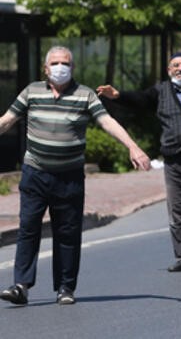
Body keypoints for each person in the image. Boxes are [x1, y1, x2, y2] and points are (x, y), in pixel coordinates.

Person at [0, 46, 151, 306]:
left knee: (67, 233)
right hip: (35, 173)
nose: (61, 67)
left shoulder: (85, 95)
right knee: (28, 228)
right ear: (45, 69)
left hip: (69, 176)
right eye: (55, 63)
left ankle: (65, 287)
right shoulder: (31, 91)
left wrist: (132, 146)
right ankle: (21, 285)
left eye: (65, 63)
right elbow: (6, 120)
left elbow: (107, 122)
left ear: (73, 68)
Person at [97, 20, 181, 272]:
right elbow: (140, 99)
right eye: (176, 65)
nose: (180, 69)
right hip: (176, 159)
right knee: (179, 211)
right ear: (169, 70)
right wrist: (118, 95)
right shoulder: (160, 91)